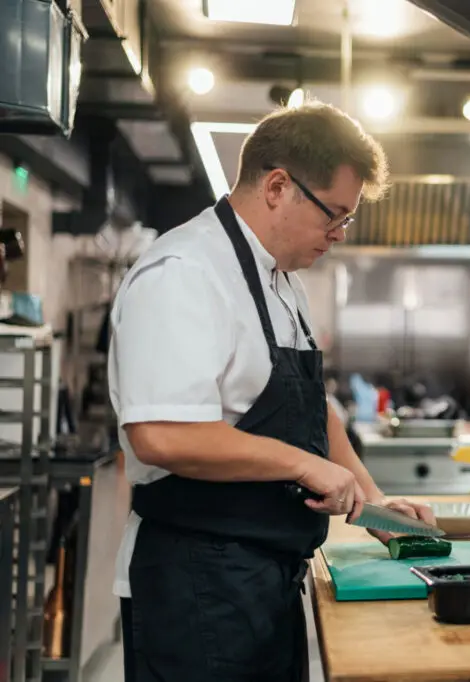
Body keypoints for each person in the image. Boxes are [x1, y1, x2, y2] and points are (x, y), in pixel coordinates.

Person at [107, 102, 436, 682]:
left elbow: (311, 406)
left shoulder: (282, 282)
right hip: (195, 583)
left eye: (346, 220)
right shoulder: (185, 272)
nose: (337, 235)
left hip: (266, 577)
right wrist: (306, 467)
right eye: (333, 215)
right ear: (279, 186)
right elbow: (161, 435)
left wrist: (376, 503)